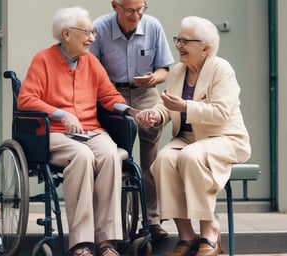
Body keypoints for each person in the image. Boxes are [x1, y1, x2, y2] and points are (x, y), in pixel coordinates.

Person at [17, 6, 134, 256]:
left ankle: (106, 241)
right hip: (55, 132)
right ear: (67, 33)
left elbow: (108, 95)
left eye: (93, 32)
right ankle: (81, 243)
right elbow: (26, 99)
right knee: (82, 156)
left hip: (91, 130)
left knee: (110, 155)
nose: (92, 37)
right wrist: (60, 113)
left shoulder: (91, 62)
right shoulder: (43, 60)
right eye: (87, 32)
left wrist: (130, 112)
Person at [135, 16, 251, 256]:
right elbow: (167, 106)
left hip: (224, 138)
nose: (178, 45)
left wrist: (186, 107)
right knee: (163, 161)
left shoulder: (222, 69)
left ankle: (210, 231)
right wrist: (155, 116)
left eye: (185, 41)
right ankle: (186, 237)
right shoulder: (178, 71)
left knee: (190, 157)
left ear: (205, 48)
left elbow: (220, 114)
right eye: (178, 39)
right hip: (187, 140)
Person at [90, 0, 174, 241]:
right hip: (110, 93)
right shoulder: (100, 28)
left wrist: (153, 79)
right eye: (130, 10)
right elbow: (90, 70)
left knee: (151, 160)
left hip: (145, 93)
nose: (136, 15)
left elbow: (164, 68)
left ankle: (153, 220)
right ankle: (112, 222)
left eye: (140, 9)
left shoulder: (153, 26)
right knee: (114, 157)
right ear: (115, 6)